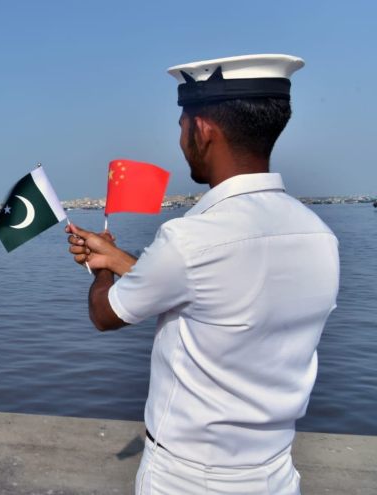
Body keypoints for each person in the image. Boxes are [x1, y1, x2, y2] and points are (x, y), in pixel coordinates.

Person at [65, 54, 340, 494]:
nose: (180, 140)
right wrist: (118, 258)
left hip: (188, 479)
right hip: (276, 474)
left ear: (202, 130)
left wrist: (99, 270)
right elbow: (220, 297)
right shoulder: (319, 235)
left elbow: (106, 314)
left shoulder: (190, 239)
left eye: (181, 127)